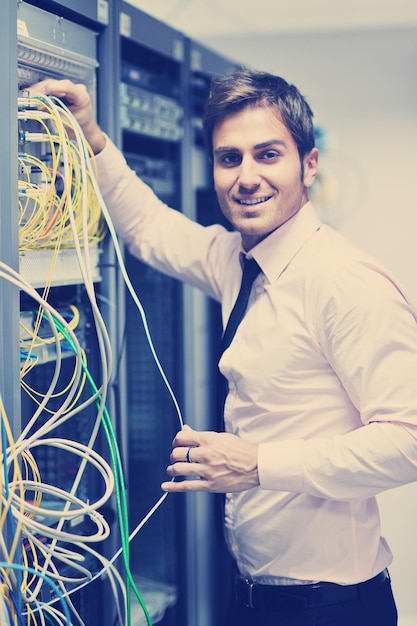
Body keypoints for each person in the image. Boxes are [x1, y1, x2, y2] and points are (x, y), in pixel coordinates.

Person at [29, 69, 417, 626]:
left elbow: (409, 439)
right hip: (256, 596)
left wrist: (259, 463)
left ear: (308, 165)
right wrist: (92, 138)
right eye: (229, 158)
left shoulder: (344, 282)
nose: (247, 177)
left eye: (268, 155)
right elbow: (146, 226)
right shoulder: (236, 260)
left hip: (331, 606)